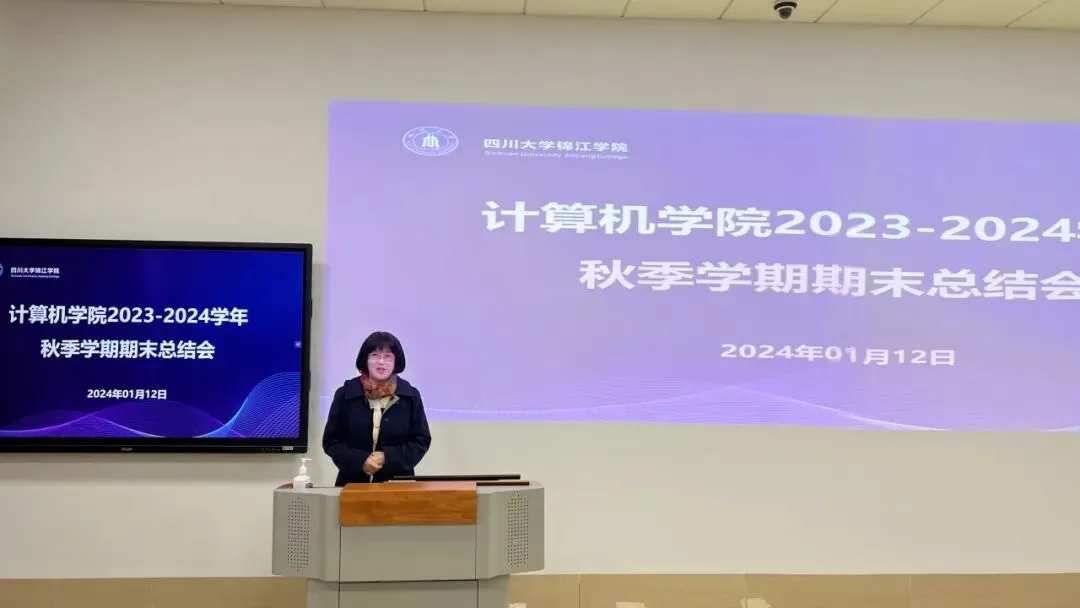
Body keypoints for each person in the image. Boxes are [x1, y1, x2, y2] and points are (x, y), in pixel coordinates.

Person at [322, 331, 431, 486]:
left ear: (396, 361)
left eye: (388, 356)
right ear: (365, 360)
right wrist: (361, 461)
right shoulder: (345, 394)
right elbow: (331, 441)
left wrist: (387, 457)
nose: (381, 362)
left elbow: (421, 441)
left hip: (398, 485)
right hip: (352, 484)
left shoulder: (410, 396)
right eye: (375, 355)